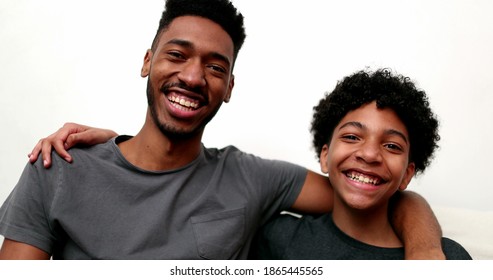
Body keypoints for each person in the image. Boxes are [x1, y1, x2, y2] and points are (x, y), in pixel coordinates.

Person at [0, 0, 443, 259]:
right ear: (147, 61)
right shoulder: (58, 167)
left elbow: (369, 191)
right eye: (177, 55)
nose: (194, 77)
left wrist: (426, 252)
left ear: (229, 86)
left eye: (215, 67)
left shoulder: (253, 178)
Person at [252, 68, 472, 259]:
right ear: (325, 157)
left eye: (392, 146)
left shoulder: (447, 259)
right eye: (351, 137)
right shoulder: (278, 238)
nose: (369, 154)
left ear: (407, 174)